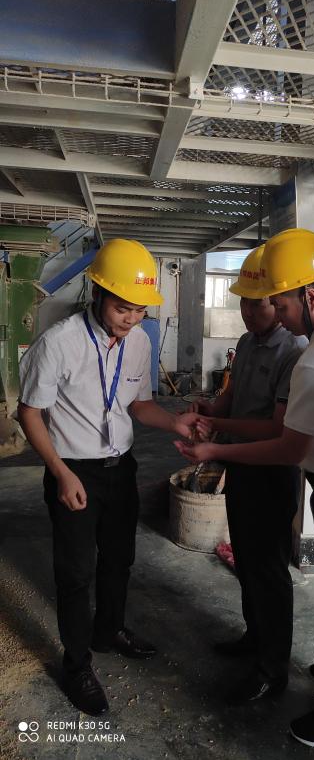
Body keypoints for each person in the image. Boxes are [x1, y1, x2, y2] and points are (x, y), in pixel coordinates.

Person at [177, 228, 314, 747]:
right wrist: (213, 414)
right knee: (285, 576)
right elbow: (239, 401)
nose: (273, 313)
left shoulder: (309, 354)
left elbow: (286, 444)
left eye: (276, 303)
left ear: (309, 296)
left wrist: (213, 448)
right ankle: (273, 645)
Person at [18, 239, 200, 716]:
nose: (131, 319)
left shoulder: (139, 342)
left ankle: (109, 630)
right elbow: (30, 413)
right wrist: (60, 472)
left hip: (121, 468)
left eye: (140, 310)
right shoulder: (59, 342)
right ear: (97, 294)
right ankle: (77, 664)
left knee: (119, 560)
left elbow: (138, 405)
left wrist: (175, 423)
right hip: (73, 470)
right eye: (123, 308)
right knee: (76, 573)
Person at [193, 245, 307, 705]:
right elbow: (232, 396)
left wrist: (218, 430)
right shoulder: (246, 343)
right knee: (246, 557)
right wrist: (208, 410)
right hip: (240, 466)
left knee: (269, 569)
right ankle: (254, 636)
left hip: (272, 471)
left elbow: (276, 429)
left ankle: (272, 669)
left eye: (256, 304)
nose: (246, 311)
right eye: (242, 301)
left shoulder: (294, 350)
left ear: (277, 302)